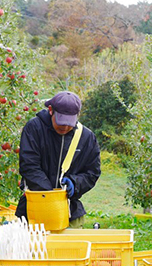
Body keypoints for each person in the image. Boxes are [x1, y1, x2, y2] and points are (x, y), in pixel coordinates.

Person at [15, 90, 101, 228]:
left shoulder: (86, 137)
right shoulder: (34, 128)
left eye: (69, 123)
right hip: (34, 210)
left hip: (69, 212)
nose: (65, 127)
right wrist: (52, 197)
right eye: (61, 122)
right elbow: (29, 166)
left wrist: (75, 183)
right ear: (50, 110)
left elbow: (92, 173)